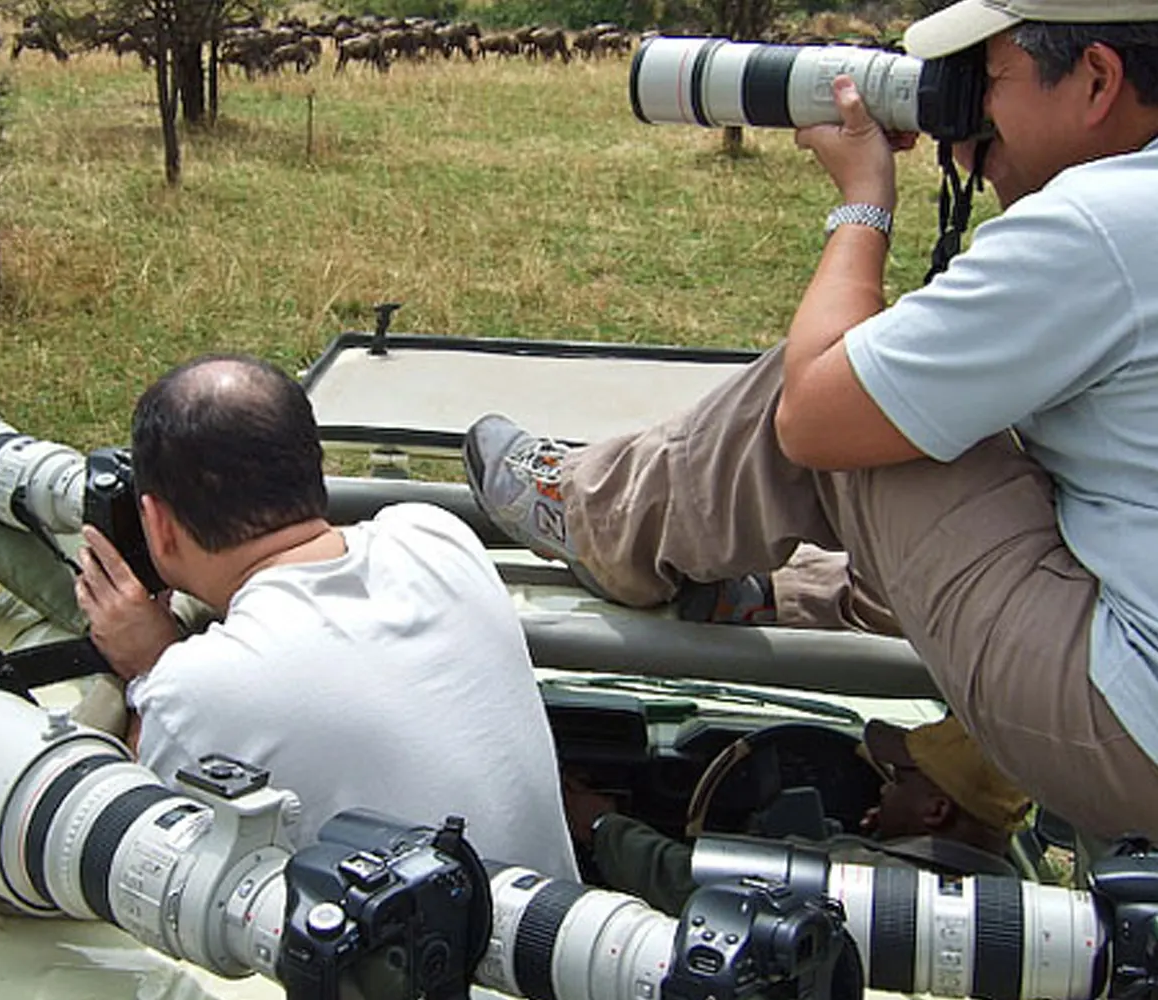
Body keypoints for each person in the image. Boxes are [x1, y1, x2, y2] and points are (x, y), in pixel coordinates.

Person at [463, 0, 1158, 839]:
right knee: (922, 392)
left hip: (1122, 727)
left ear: (1096, 78)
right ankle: (774, 593)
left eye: (992, 78)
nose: (975, 107)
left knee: (857, 392)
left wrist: (864, 201)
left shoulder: (1110, 223)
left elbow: (817, 416)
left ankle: (595, 515)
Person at [74, 354, 578, 879]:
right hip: (553, 935)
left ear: (156, 523)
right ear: (313, 467)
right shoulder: (435, 535)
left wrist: (148, 670)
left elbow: (147, 857)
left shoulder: (192, 690)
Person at [563, 716, 1031, 916]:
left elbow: (695, 888)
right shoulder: (1029, 910)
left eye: (900, 781)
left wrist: (602, 824)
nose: (885, 787)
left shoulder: (856, 880)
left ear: (936, 811)